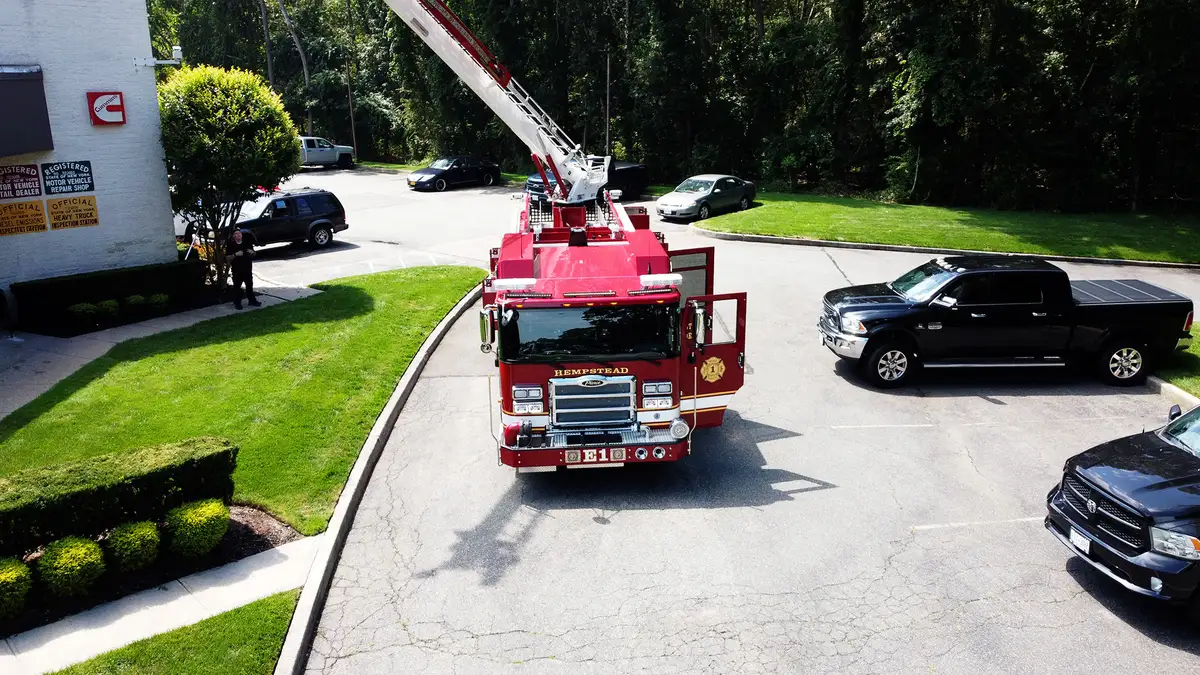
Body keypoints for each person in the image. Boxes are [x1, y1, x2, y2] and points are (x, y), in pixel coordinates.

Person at [226, 229, 260, 310]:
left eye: (239, 233)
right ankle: (237, 303)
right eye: (236, 234)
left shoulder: (247, 243)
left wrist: (252, 252)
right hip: (237, 270)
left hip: (247, 268)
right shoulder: (231, 245)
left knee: (249, 285)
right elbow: (227, 258)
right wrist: (235, 255)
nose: (238, 235)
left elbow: (254, 254)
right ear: (233, 236)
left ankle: (252, 301)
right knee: (237, 287)